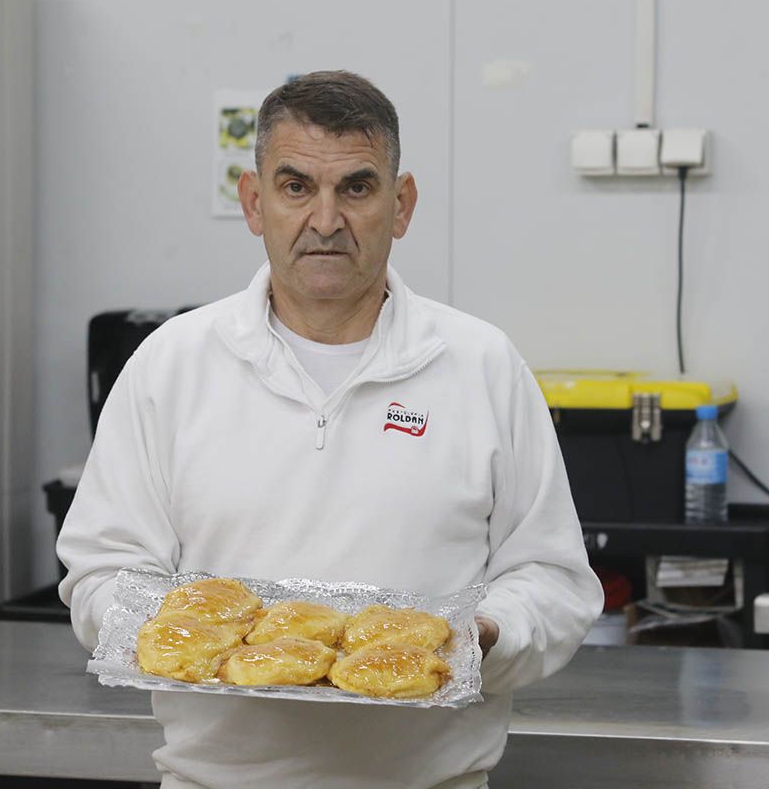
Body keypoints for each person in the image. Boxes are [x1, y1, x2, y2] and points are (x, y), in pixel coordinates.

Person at [57, 70, 603, 789]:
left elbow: (553, 578)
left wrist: (484, 637)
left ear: (400, 205)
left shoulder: (480, 366)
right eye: (295, 187)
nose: (325, 219)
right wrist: (174, 627)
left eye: (356, 187)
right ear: (254, 202)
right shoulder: (173, 366)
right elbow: (102, 568)